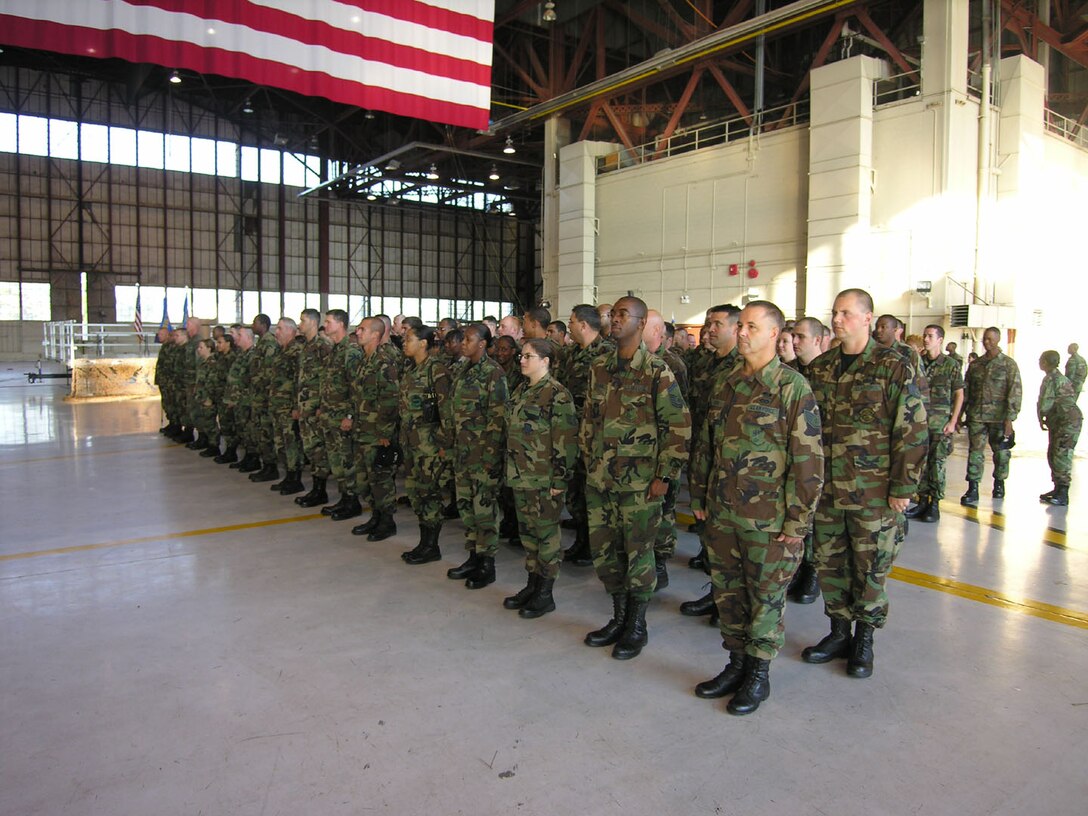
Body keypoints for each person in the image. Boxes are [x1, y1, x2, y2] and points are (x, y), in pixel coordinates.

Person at [689, 301, 823, 714]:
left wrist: (798, 522)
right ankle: (736, 663)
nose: (742, 332)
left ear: (772, 334)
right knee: (729, 596)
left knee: (765, 599)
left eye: (751, 326)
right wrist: (699, 497)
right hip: (723, 513)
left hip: (769, 522)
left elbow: (809, 462)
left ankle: (759, 676)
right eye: (741, 325)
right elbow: (706, 446)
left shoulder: (792, 388)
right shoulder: (726, 382)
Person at [802, 288, 927, 679]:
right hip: (826, 492)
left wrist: (902, 488)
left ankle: (864, 639)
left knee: (870, 567)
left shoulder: (894, 366)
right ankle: (838, 632)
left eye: (846, 314)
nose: (838, 320)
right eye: (835, 313)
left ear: (868, 318)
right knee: (830, 563)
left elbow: (913, 431)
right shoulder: (821, 369)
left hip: (872, 494)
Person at [580, 296, 690, 660]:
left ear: (641, 324)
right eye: (613, 314)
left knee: (638, 556)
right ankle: (618, 616)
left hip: (640, 485)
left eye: (623, 314)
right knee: (606, 555)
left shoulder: (658, 372)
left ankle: (637, 625)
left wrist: (665, 477)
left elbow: (678, 427)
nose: (615, 319)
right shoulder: (599, 367)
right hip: (601, 481)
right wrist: (588, 461)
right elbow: (588, 421)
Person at [502, 339, 578, 618]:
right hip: (521, 476)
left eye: (528, 356)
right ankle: (532, 585)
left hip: (544, 479)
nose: (522, 360)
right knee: (529, 535)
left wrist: (560, 479)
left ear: (545, 361)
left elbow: (566, 440)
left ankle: (545, 593)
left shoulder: (557, 395)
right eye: (521, 356)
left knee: (546, 537)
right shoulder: (522, 390)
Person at [680, 304, 740, 614]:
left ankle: (730, 602)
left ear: (735, 328)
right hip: (702, 454)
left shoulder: (743, 366)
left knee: (731, 538)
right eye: (708, 323)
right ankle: (717, 592)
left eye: (717, 323)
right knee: (709, 532)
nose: (710, 329)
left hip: (732, 463)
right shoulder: (703, 362)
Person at [443, 323, 509, 589]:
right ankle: (473, 555)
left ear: (482, 344)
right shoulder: (461, 370)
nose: (463, 343)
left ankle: (487, 563)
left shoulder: (494, 373)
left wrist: (491, 457)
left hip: (483, 455)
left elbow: (499, 418)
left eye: (469, 339)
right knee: (466, 507)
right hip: (462, 453)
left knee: (485, 511)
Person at [557, 304, 613, 566]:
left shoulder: (607, 354)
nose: (568, 325)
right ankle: (581, 539)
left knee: (591, 493)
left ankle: (593, 545)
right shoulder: (570, 354)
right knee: (575, 491)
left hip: (593, 437)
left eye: (571, 321)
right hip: (569, 434)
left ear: (583, 324)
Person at [399, 325, 454, 565]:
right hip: (411, 444)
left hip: (430, 446)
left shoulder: (437, 371)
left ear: (423, 343)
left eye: (409, 339)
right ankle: (424, 542)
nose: (404, 343)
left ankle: (432, 545)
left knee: (430, 494)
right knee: (415, 492)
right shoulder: (411, 371)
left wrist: (443, 445)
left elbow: (446, 412)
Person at [644, 309, 689, 590]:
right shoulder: (633, 361)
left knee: (665, 510)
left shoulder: (672, 364)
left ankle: (660, 561)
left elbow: (679, 416)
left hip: (665, 452)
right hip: (641, 456)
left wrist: (671, 462)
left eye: (644, 326)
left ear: (659, 332)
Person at [348, 317, 401, 541]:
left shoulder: (384, 362)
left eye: (363, 329)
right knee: (364, 479)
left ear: (376, 336)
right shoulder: (363, 361)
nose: (358, 332)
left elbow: (391, 400)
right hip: (361, 431)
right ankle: (375, 515)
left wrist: (384, 434)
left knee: (381, 478)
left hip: (377, 434)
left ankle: (387, 521)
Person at [907, 324, 964, 523]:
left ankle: (935, 504)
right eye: (924, 335)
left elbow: (959, 393)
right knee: (920, 463)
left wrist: (953, 420)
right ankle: (922, 501)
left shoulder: (950, 365)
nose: (926, 339)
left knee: (937, 464)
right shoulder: (918, 363)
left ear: (940, 340)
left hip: (940, 423)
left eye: (930, 336)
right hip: (921, 423)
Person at [961, 326, 1021, 506]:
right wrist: (960, 415)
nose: (987, 342)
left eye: (990, 339)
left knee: (1001, 453)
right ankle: (973, 488)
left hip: (999, 418)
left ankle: (999, 483)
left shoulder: (1008, 365)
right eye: (985, 339)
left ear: (998, 339)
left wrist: (1010, 419)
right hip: (977, 416)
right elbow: (967, 390)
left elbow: (1015, 391)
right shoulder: (976, 365)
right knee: (975, 453)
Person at [318, 309, 364, 521]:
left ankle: (353, 501)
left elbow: (356, 387)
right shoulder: (334, 350)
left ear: (341, 324)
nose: (325, 326)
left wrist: (350, 415)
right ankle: (345, 498)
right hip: (330, 416)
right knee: (336, 461)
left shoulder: (351, 351)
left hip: (342, 418)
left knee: (347, 460)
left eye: (328, 322)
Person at [293, 309, 333, 506]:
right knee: (310, 448)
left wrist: (321, 406)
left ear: (312, 322)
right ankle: (316, 489)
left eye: (302, 320)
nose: (299, 324)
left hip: (316, 408)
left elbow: (329, 379)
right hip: (305, 407)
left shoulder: (323, 346)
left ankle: (320, 490)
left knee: (319, 450)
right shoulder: (306, 346)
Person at [1038, 350, 1082, 506]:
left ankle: (1063, 492)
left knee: (1061, 454)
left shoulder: (1051, 379)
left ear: (1045, 363)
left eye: (1041, 360)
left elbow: (1045, 404)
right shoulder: (1061, 378)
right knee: (1054, 453)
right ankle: (1058, 488)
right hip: (1063, 420)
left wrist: (1041, 415)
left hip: (1066, 421)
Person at [266, 317, 303, 493]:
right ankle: (288, 476)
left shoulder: (296, 351)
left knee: (291, 444)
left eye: (280, 329)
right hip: (278, 406)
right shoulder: (282, 351)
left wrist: (296, 406)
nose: (277, 332)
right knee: (281, 443)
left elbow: (299, 381)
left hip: (288, 407)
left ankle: (295, 478)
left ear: (290, 330)